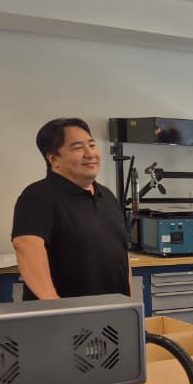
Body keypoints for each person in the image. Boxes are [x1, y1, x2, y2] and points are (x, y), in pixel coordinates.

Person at [12, 118, 131, 301]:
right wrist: (55, 305)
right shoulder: (38, 196)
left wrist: (129, 304)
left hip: (114, 311)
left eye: (92, 145)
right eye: (77, 148)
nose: (90, 153)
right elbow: (26, 246)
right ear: (53, 159)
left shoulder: (107, 196)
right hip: (66, 314)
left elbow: (121, 255)